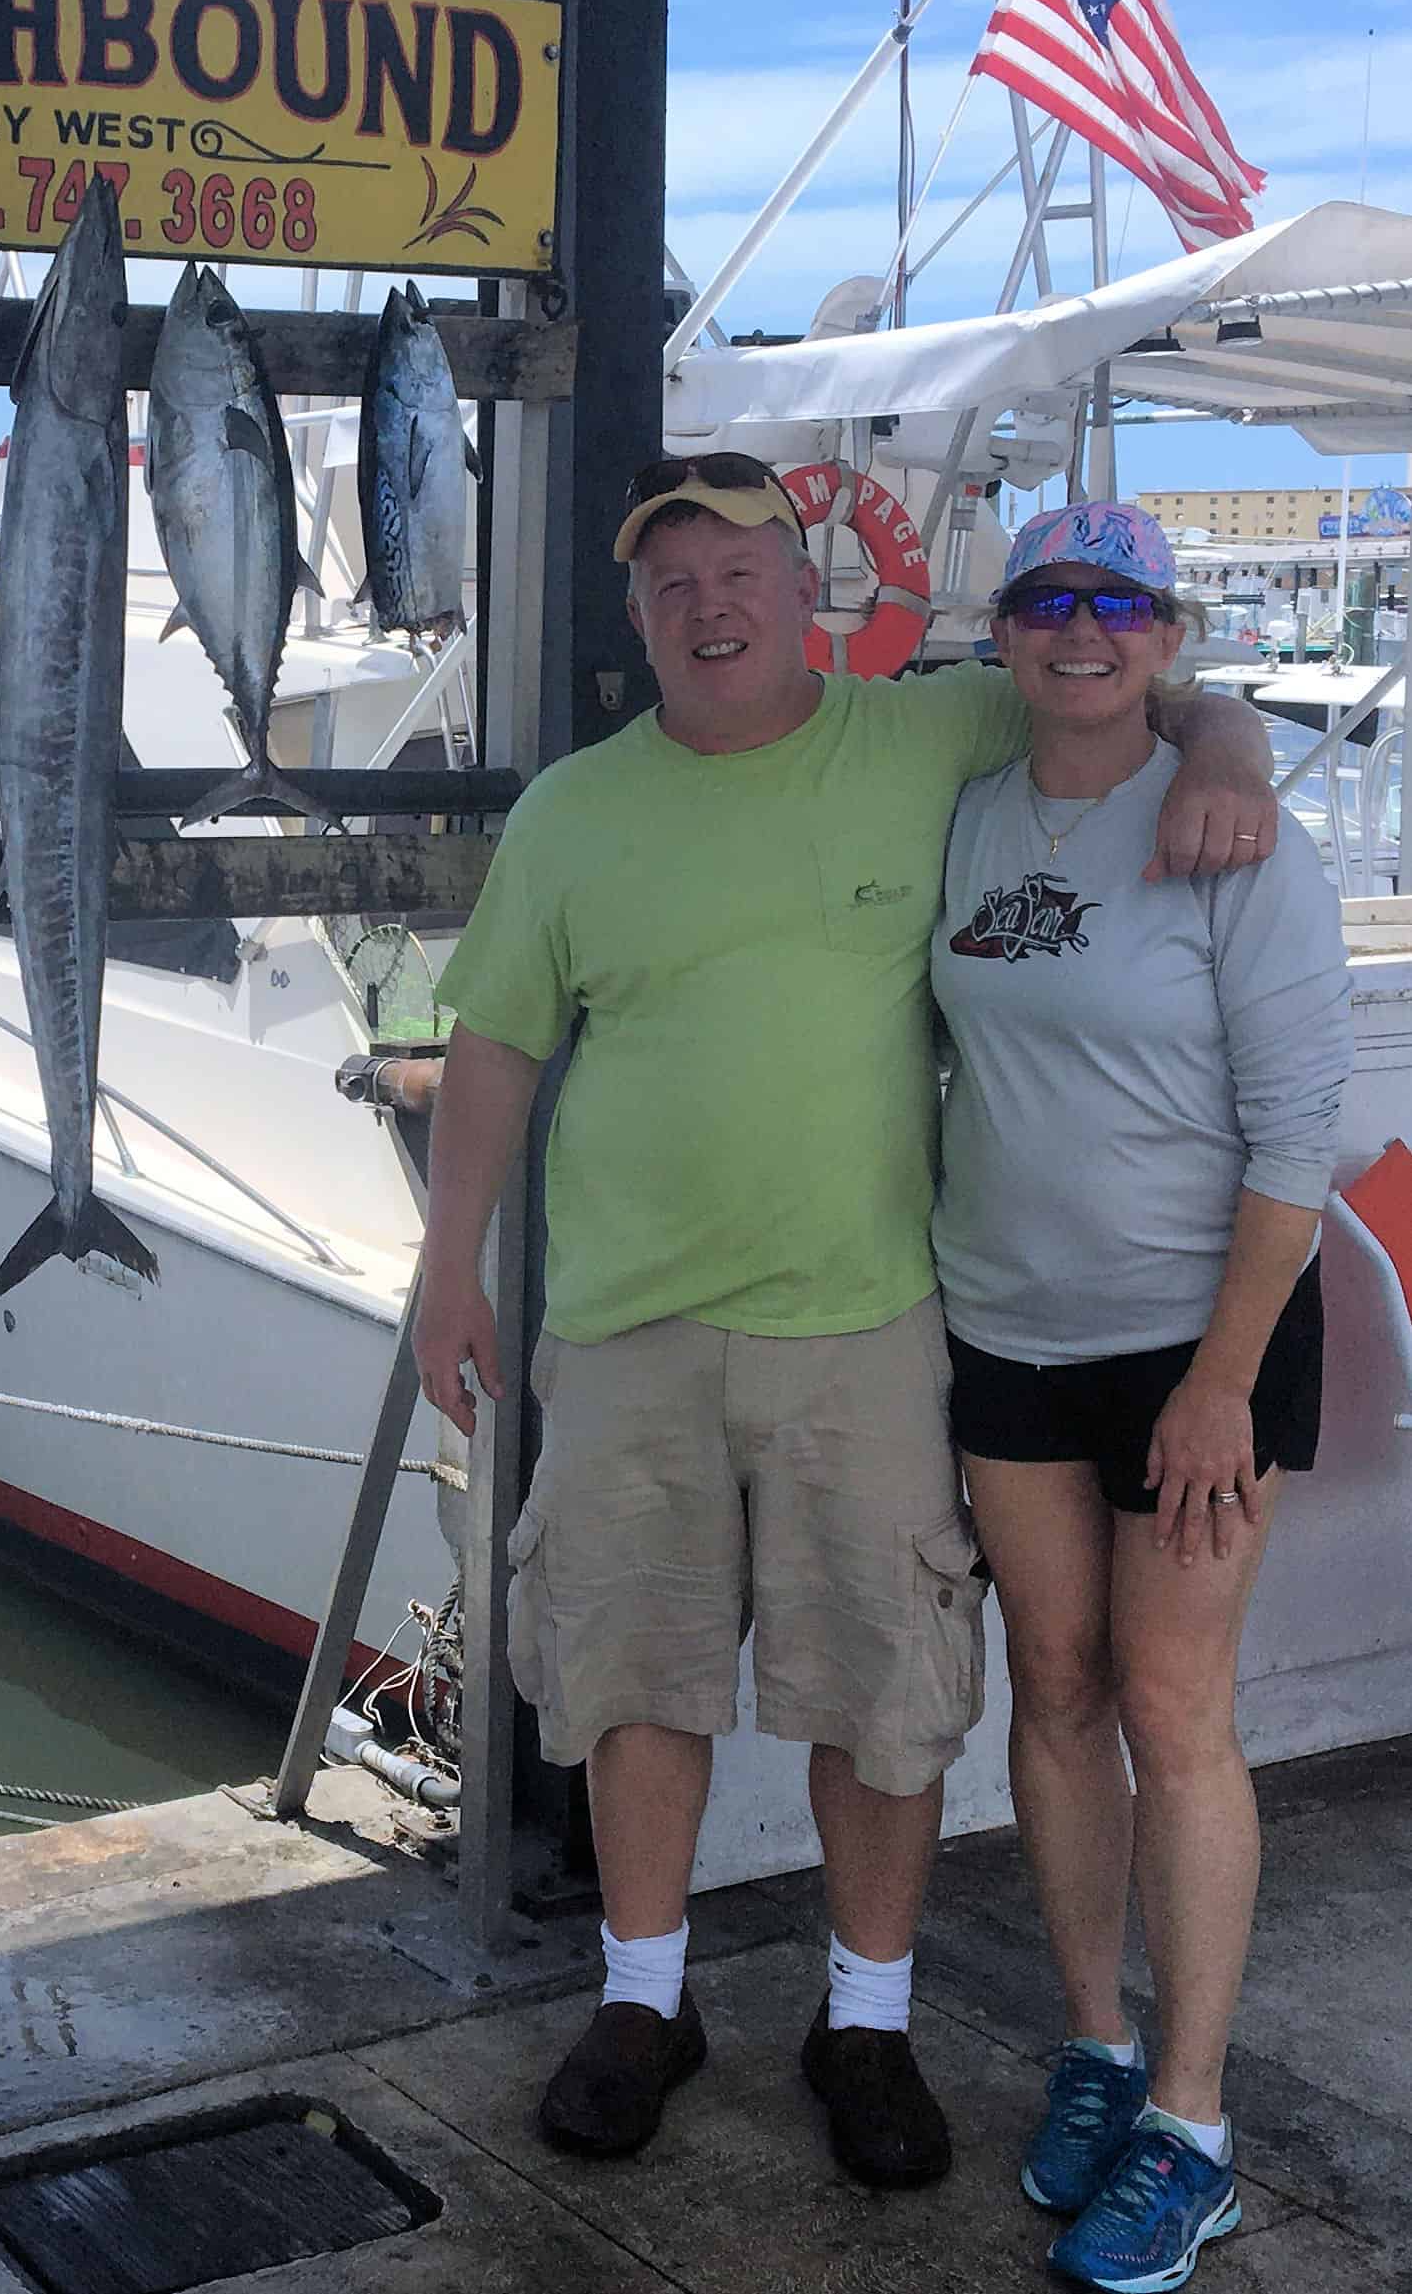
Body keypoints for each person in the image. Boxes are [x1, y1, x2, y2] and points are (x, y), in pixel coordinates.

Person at [413, 454, 1280, 2191]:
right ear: (641, 615)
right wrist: (447, 1263)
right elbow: (497, 1042)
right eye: (672, 584)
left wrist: (1236, 747)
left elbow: (1115, 669)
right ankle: (642, 1999)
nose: (708, 605)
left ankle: (863, 2018)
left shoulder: (922, 732)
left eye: (739, 570)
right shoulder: (571, 810)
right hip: (623, 1323)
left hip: (872, 1323)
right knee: (631, 1676)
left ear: (804, 586)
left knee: (879, 1694)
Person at [932, 502, 1348, 2291]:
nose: (1080, 632)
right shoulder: (962, 807)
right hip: (1000, 1329)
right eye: (1047, 602)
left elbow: (1297, 1136)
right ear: (1004, 632)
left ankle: (1193, 2126)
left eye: (1117, 604)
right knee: (1052, 1683)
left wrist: (1220, 1384)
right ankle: (1097, 2043)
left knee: (1174, 1709)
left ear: (1167, 633)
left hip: (1201, 1343)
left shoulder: (1242, 836)